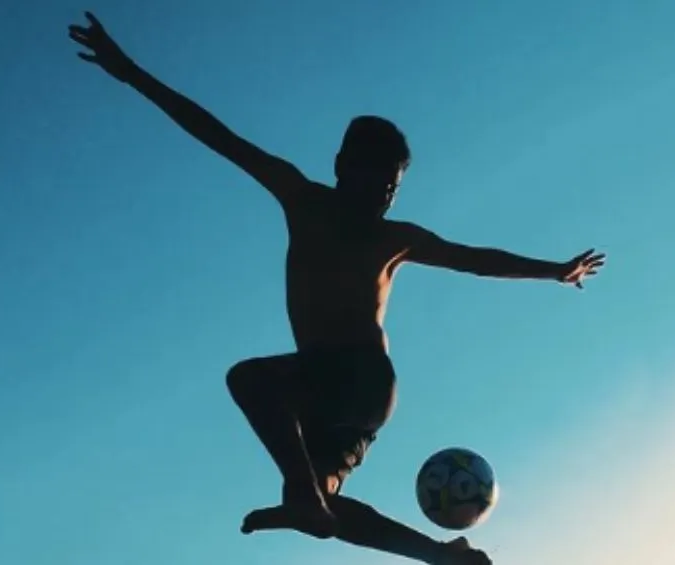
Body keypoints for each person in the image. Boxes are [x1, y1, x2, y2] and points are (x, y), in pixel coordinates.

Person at [68, 12, 605, 565]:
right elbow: (217, 135)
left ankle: (302, 492)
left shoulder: (393, 238)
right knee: (322, 507)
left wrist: (553, 270)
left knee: (249, 379)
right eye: (375, 182)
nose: (383, 198)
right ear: (343, 167)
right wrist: (129, 72)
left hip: (360, 376)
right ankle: (442, 557)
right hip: (331, 392)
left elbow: (473, 260)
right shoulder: (303, 199)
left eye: (393, 189)